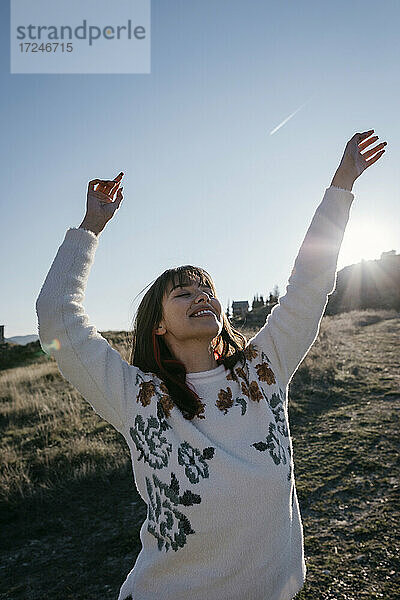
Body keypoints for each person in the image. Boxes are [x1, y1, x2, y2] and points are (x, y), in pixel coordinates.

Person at [35, 130, 387, 600]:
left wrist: (342, 183)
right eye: (183, 293)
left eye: (207, 290)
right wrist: (89, 228)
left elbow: (309, 284)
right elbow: (58, 318)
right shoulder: (137, 396)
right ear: (157, 326)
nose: (202, 296)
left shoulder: (265, 368)